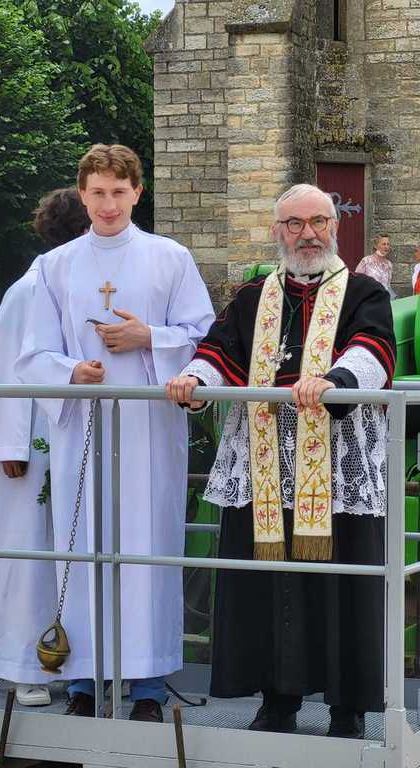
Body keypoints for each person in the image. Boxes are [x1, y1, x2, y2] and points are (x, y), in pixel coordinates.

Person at [166, 183, 396, 739]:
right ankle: (277, 701)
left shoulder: (364, 291)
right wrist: (194, 381)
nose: (307, 233)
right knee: (269, 585)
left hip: (337, 466)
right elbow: (219, 350)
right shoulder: (253, 297)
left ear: (334, 227)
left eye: (318, 221)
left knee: (342, 587)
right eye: (294, 223)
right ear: (278, 231)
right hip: (263, 463)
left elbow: (374, 349)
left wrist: (336, 379)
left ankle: (348, 710)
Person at [15, 144, 215, 722]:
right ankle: (83, 679)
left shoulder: (170, 257)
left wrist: (149, 337)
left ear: (137, 193)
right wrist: (71, 371)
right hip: (83, 429)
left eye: (119, 192)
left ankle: (148, 685)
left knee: (147, 550)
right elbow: (33, 354)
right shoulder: (54, 267)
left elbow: (203, 336)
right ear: (83, 195)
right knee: (82, 548)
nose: (108, 204)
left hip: (149, 434)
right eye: (98, 192)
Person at [0, 187, 90, 707]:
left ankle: (78, 661)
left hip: (76, 437)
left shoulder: (88, 287)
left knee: (76, 551)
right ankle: (24, 667)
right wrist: (8, 443)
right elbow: (1, 368)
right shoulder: (29, 289)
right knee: (27, 555)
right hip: (30, 444)